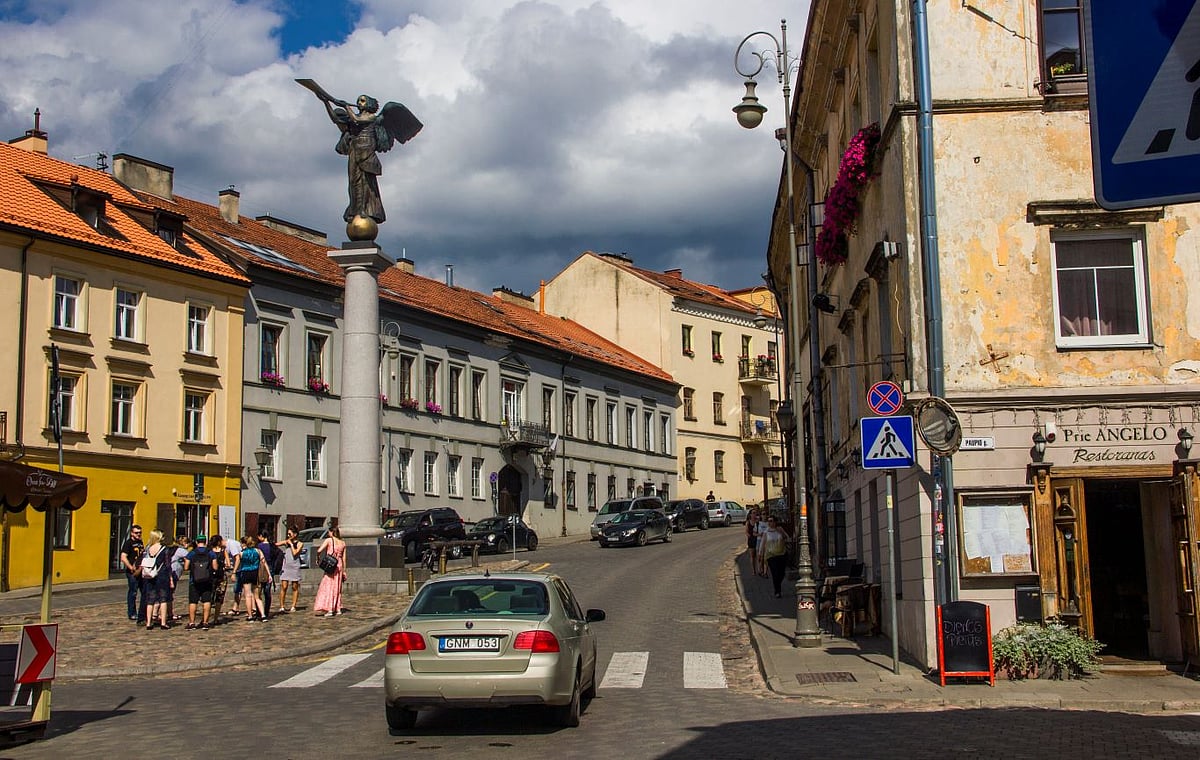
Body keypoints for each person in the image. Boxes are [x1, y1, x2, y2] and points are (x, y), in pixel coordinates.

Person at [139, 529, 173, 630]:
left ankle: (149, 622)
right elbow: (167, 564)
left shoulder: (148, 548)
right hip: (162, 575)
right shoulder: (164, 549)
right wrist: (171, 578)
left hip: (150, 575)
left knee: (150, 600)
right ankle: (163, 622)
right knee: (163, 599)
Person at [184, 536, 217, 630]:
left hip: (194, 580)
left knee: (193, 601)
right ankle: (205, 622)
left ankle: (192, 623)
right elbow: (215, 567)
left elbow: (186, 567)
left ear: (197, 541)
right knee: (207, 601)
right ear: (205, 541)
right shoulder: (210, 553)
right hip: (207, 580)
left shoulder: (192, 553)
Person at [232, 536, 268, 622]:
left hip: (246, 573)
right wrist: (268, 574)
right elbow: (263, 562)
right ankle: (263, 615)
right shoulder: (258, 551)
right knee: (257, 596)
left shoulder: (242, 553)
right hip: (255, 573)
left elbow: (238, 562)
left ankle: (250, 616)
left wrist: (234, 571)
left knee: (248, 595)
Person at [313, 527, 346, 617]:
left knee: (328, 586)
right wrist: (344, 571)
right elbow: (344, 558)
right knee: (337, 587)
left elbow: (319, 550)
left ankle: (330, 608)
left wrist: (318, 557)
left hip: (331, 565)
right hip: (338, 565)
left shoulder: (329, 540)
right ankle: (338, 608)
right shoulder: (343, 543)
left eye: (329, 532)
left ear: (332, 532)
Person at [119, 524, 145, 621]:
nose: (138, 534)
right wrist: (130, 567)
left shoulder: (140, 542)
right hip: (132, 572)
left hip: (141, 570)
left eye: (140, 533)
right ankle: (132, 613)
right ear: (131, 533)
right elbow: (123, 557)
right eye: (136, 533)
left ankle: (143, 612)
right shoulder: (128, 543)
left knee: (144, 591)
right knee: (133, 592)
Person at [762, 516, 791, 598]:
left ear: (775, 522)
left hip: (782, 554)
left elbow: (787, 538)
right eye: (768, 521)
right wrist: (761, 554)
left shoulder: (780, 529)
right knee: (775, 573)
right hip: (771, 555)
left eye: (771, 521)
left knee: (781, 573)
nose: (769, 523)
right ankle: (777, 591)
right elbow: (763, 544)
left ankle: (778, 585)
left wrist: (781, 533)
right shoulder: (766, 532)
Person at [277, 526, 304, 613]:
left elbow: (295, 553)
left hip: (294, 566)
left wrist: (291, 544)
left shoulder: (300, 543)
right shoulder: (286, 542)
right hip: (286, 566)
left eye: (290, 534)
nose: (288, 535)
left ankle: (293, 605)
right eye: (288, 534)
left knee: (294, 586)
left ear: (295, 534)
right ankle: (282, 606)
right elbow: (276, 544)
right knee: (284, 586)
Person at [167, 534, 190, 622]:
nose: (188, 546)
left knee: (169, 593)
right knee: (169, 594)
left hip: (171, 572)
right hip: (174, 573)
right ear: (184, 543)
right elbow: (190, 558)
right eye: (187, 543)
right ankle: (167, 614)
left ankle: (169, 613)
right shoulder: (181, 550)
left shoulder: (173, 548)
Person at [209, 534, 231, 623]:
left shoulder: (209, 551)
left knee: (209, 597)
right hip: (221, 576)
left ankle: (206, 617)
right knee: (219, 597)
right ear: (219, 542)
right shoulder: (223, 551)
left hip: (210, 576)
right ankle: (215, 618)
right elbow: (228, 564)